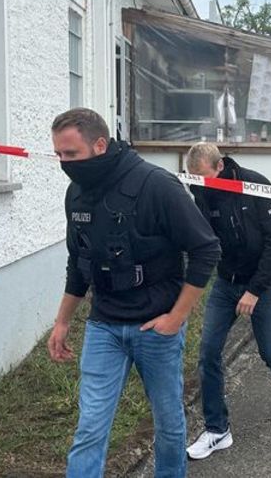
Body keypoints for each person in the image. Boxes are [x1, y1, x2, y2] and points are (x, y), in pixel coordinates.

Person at [47, 109, 220, 478]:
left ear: (99, 144)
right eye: (59, 155)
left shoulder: (155, 185)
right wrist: (62, 322)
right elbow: (79, 262)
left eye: (71, 154)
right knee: (90, 427)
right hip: (104, 326)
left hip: (155, 327)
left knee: (169, 423)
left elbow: (206, 249)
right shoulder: (76, 194)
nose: (64, 163)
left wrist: (177, 317)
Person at [184, 142, 271, 460]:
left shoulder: (256, 185)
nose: (199, 183)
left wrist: (255, 291)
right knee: (208, 353)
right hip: (225, 283)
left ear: (219, 166)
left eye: (203, 176)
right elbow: (202, 237)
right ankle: (217, 429)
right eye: (193, 178)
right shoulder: (201, 190)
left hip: (262, 284)